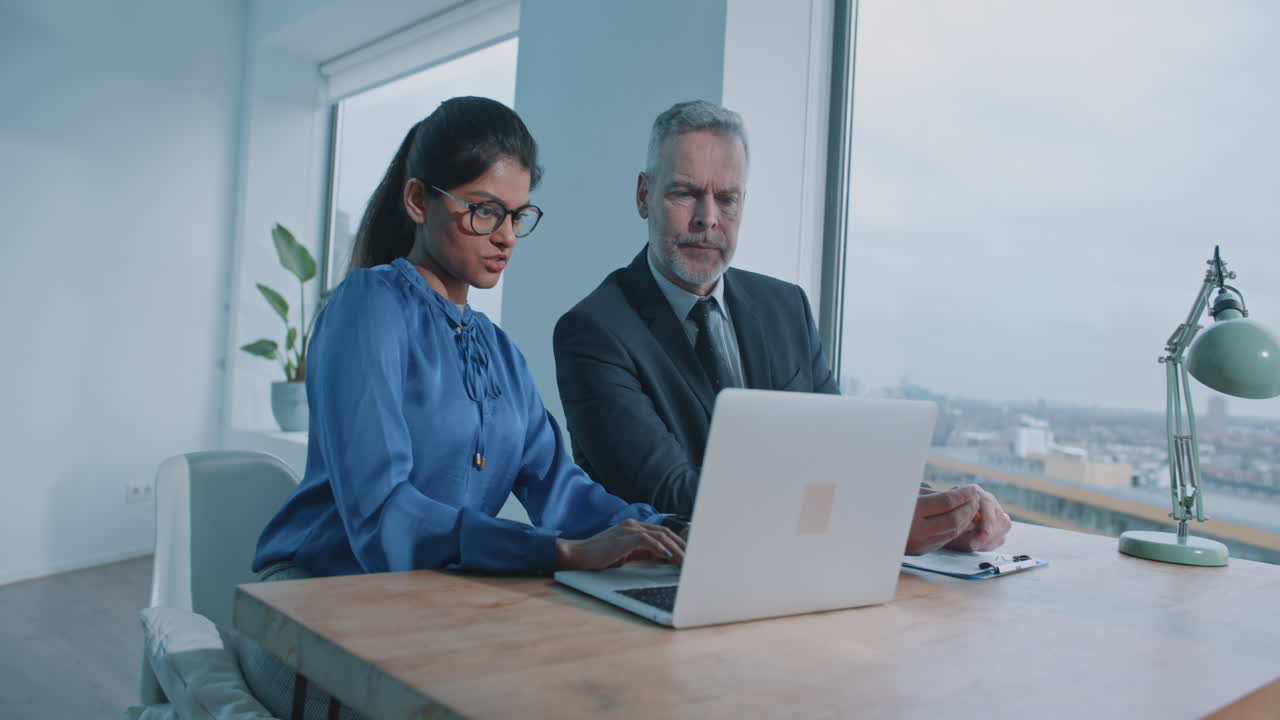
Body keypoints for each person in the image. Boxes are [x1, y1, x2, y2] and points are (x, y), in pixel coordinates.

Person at [242, 97, 684, 720]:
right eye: (485, 211)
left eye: (518, 215)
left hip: (425, 605)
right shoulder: (367, 307)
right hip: (313, 606)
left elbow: (561, 490)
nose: (506, 235)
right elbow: (383, 515)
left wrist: (667, 533)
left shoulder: (500, 354)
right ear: (418, 200)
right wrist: (558, 552)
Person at [553, 100, 1011, 556]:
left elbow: (840, 454)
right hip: (667, 580)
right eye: (685, 193)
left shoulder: (786, 307)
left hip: (797, 570)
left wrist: (939, 512)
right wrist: (879, 522)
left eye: (726, 199)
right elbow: (671, 495)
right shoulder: (594, 333)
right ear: (643, 195)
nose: (707, 218)